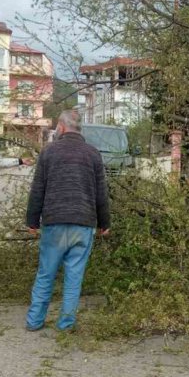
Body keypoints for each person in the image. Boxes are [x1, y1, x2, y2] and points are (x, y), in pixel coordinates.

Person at [25, 110, 110, 332]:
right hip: (83, 223)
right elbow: (101, 193)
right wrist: (105, 223)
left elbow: (38, 190)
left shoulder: (48, 152)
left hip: (54, 222)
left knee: (46, 273)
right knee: (74, 276)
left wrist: (32, 221)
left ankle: (34, 321)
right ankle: (66, 324)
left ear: (61, 127)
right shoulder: (93, 154)